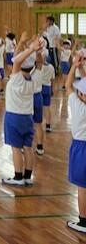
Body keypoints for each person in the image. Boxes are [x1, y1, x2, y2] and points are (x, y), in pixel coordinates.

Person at [2, 33, 40, 186]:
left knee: (16, 149)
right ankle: (28, 177)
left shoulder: (16, 78)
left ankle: (18, 177)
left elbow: (16, 60)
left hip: (14, 117)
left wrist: (30, 48)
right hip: (28, 117)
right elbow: (18, 60)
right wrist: (24, 45)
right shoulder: (34, 77)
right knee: (28, 148)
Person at [65, 54, 86, 234]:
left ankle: (83, 221)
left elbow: (67, 85)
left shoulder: (77, 105)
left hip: (81, 148)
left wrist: (74, 66)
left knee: (82, 187)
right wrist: (81, 68)